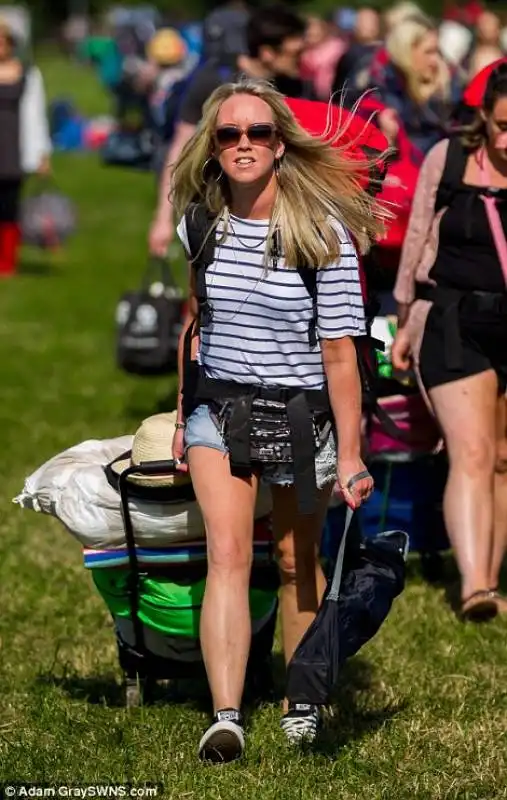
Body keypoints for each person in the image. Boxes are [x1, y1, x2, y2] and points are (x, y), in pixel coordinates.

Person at [169, 77, 386, 761]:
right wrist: (182, 410)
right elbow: (197, 320)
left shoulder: (320, 234)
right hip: (219, 409)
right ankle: (226, 714)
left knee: (297, 562)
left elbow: (342, 356)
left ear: (280, 144)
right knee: (227, 557)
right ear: (212, 144)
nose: (242, 145)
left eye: (257, 133)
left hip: (301, 415)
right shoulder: (197, 223)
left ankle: (302, 701)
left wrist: (349, 454)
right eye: (229, 133)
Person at [391, 61, 507, 622]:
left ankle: (489, 573)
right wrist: (403, 316)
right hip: (454, 317)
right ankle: (475, 585)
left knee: (504, 459)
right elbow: (416, 236)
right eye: (503, 125)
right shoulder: (450, 159)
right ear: (484, 116)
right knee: (473, 453)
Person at [148, 4, 313, 258]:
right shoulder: (214, 80)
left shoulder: (297, 87)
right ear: (267, 52)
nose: (301, 61)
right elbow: (180, 149)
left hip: (282, 216)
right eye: (295, 53)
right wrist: (162, 218)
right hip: (215, 212)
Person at [0, 20, 51, 277]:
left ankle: (7, 261)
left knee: (10, 207)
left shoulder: (27, 74)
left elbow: (36, 116)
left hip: (13, 150)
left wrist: (42, 154)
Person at [367, 14, 461, 154]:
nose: (436, 60)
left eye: (437, 51)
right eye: (429, 52)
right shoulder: (384, 86)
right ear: (406, 52)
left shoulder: (447, 84)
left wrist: (441, 98)